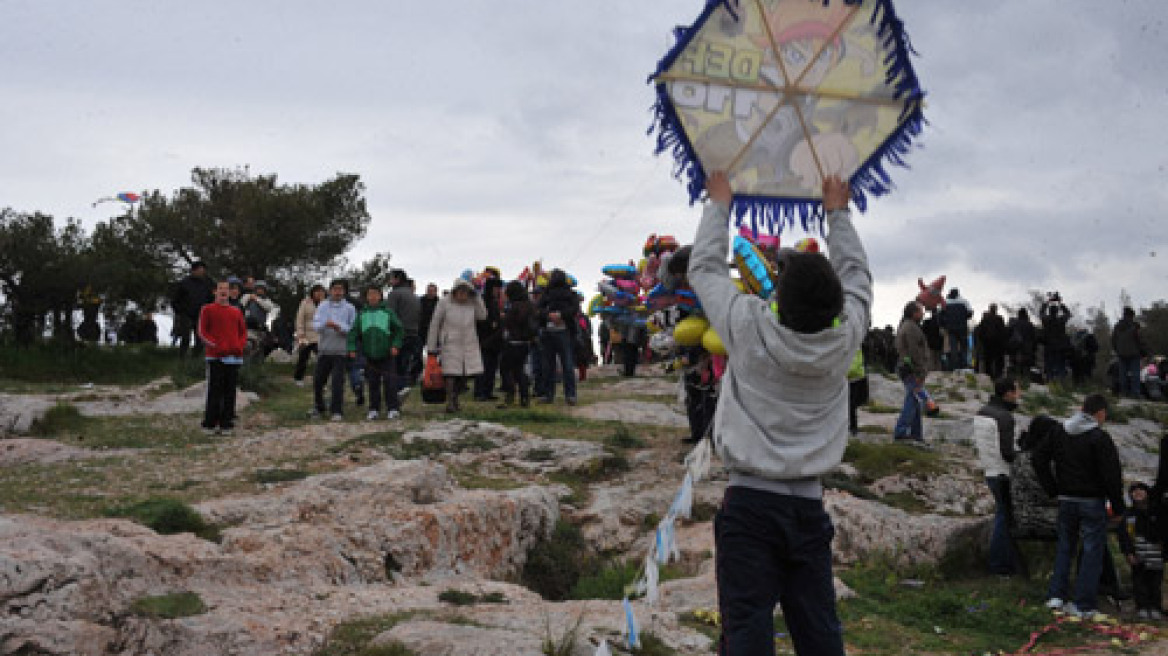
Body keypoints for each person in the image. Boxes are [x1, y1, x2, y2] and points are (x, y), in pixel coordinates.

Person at [689, 172, 870, 655]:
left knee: (747, 633)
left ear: (779, 298)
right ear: (835, 307)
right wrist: (838, 212)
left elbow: (704, 268)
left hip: (749, 505)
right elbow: (859, 279)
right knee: (819, 634)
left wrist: (719, 203)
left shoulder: (748, 327)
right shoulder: (845, 340)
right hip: (809, 508)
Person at [1033, 394, 1126, 619]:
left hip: (1066, 499)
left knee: (1065, 547)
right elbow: (1112, 475)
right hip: (1092, 501)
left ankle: (1056, 596)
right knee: (1092, 552)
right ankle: (1084, 604)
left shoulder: (1058, 432)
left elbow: (1038, 458)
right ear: (1100, 413)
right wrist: (1118, 506)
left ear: (1081, 408)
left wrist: (1053, 488)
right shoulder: (1099, 438)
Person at [974, 377, 1023, 576]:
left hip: (989, 469)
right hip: (1003, 472)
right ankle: (999, 566)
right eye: (1017, 391)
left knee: (1003, 517)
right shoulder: (1004, 417)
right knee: (1004, 519)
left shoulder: (982, 412)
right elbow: (1007, 453)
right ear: (1008, 393)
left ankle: (1006, 563)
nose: (1019, 395)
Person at [427, 278, 487, 413]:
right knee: (450, 374)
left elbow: (482, 316)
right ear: (454, 292)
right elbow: (435, 324)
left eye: (465, 292)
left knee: (464, 375)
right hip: (450, 343)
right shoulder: (444, 303)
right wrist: (431, 346)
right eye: (459, 292)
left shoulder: (472, 303)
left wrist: (478, 298)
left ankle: (455, 399)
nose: (462, 295)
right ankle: (450, 402)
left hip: (468, 344)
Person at [197, 280, 247, 435]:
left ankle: (226, 422)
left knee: (230, 390)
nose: (224, 291)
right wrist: (215, 345)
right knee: (215, 390)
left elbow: (242, 332)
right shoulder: (207, 309)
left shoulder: (236, 311)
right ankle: (210, 423)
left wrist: (239, 346)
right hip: (215, 356)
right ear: (215, 291)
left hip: (233, 356)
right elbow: (202, 332)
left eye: (227, 289)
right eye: (221, 288)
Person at [348, 285, 404, 421]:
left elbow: (399, 330)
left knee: (390, 383)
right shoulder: (362, 314)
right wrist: (351, 348)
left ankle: (393, 408)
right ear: (366, 297)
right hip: (369, 355)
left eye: (375, 294)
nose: (373, 297)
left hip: (387, 354)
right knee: (372, 383)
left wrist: (396, 345)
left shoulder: (388, 312)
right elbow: (353, 332)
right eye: (370, 294)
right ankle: (374, 409)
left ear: (380, 296)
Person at [1117, 482, 1163, 620]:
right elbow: (1123, 536)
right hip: (1138, 554)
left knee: (1155, 583)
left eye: (1141, 490)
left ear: (1147, 493)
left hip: (1156, 555)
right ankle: (1142, 607)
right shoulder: (1128, 515)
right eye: (1134, 491)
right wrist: (1128, 552)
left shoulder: (1157, 512)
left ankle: (1155, 607)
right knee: (1139, 583)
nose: (1138, 493)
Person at [311, 280, 356, 421]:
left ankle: (337, 410)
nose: (337, 292)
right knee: (318, 381)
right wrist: (325, 324)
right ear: (330, 291)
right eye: (335, 289)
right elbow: (316, 325)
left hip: (341, 351)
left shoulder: (350, 308)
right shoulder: (323, 306)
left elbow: (353, 329)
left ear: (344, 291)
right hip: (324, 349)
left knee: (337, 382)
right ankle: (319, 406)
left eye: (340, 289)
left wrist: (340, 327)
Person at [537, 269, 580, 405]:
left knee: (551, 365)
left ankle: (550, 395)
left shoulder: (546, 294)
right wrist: (556, 315)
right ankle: (569, 395)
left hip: (555, 331)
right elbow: (574, 309)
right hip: (560, 331)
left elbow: (538, 309)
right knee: (565, 364)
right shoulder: (570, 294)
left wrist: (554, 315)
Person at [894, 301, 930, 446]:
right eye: (920, 311)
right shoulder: (911, 328)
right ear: (913, 313)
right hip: (912, 370)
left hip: (909, 368)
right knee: (912, 400)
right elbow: (914, 352)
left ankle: (916, 434)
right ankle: (901, 432)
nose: (923, 313)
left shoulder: (908, 326)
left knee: (915, 401)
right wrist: (920, 372)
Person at [498, 280, 537, 408]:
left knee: (506, 369)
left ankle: (510, 394)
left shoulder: (515, 306)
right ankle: (524, 397)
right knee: (519, 370)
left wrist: (503, 318)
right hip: (525, 342)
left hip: (513, 342)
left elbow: (509, 323)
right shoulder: (529, 305)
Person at [170, 260, 215, 358]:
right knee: (186, 337)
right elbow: (175, 300)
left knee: (200, 339)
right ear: (193, 270)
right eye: (199, 269)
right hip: (186, 315)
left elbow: (212, 298)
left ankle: (195, 359)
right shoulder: (184, 283)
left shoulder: (209, 283)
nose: (202, 271)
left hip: (201, 315)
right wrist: (180, 312)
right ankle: (182, 358)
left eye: (203, 269)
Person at [386, 269, 421, 391]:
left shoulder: (394, 294)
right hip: (414, 333)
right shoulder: (414, 295)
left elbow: (389, 315)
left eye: (391, 278)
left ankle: (398, 389)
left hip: (398, 334)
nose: (390, 281)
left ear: (397, 279)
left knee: (395, 365)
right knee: (406, 363)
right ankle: (404, 385)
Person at [474, 272, 504, 402]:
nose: (499, 291)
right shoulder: (483, 302)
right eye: (497, 288)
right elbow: (481, 320)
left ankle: (487, 391)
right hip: (485, 339)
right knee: (483, 367)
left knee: (491, 367)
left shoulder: (494, 302)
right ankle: (480, 391)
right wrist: (493, 323)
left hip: (494, 340)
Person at [294, 284, 325, 386]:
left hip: (320, 335)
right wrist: (300, 333)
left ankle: (320, 379)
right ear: (312, 292)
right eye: (317, 291)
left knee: (322, 358)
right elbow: (300, 318)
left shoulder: (326, 304)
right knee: (303, 357)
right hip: (306, 335)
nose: (319, 293)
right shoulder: (305, 302)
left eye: (321, 291)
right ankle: (298, 378)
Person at [1112, 307, 1146, 398]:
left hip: (1121, 353)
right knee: (1135, 373)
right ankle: (1135, 393)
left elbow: (1113, 340)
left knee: (1122, 374)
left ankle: (1124, 392)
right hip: (1134, 353)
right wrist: (1144, 352)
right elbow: (1139, 340)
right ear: (1132, 315)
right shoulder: (1135, 326)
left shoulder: (1117, 326)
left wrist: (1117, 350)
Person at [1041, 293, 1072, 383]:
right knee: (1060, 364)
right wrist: (1060, 303)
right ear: (1057, 312)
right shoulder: (1061, 321)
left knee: (1049, 364)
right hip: (1060, 346)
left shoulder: (1046, 320)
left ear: (1050, 311)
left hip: (1049, 345)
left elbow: (1041, 312)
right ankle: (1060, 382)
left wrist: (1048, 301)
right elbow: (1068, 313)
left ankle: (1049, 380)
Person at [939, 288, 973, 370]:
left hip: (951, 328)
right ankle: (964, 365)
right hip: (962, 328)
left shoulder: (945, 302)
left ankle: (955, 366)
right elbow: (970, 314)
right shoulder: (964, 302)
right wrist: (963, 318)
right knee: (964, 347)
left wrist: (944, 324)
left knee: (953, 347)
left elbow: (940, 315)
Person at [975, 304, 1008, 380]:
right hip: (998, 343)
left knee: (988, 360)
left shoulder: (985, 319)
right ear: (996, 310)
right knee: (998, 360)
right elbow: (1003, 331)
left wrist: (982, 340)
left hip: (987, 343)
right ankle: (998, 375)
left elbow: (980, 332)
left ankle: (988, 375)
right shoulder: (1000, 319)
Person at [1008, 308, 1037, 379]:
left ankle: (1015, 380)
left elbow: (1008, 335)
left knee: (1015, 365)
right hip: (1027, 349)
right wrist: (1034, 348)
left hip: (1016, 348)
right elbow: (1034, 337)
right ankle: (1025, 381)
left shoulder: (1014, 324)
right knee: (1026, 367)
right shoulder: (1030, 325)